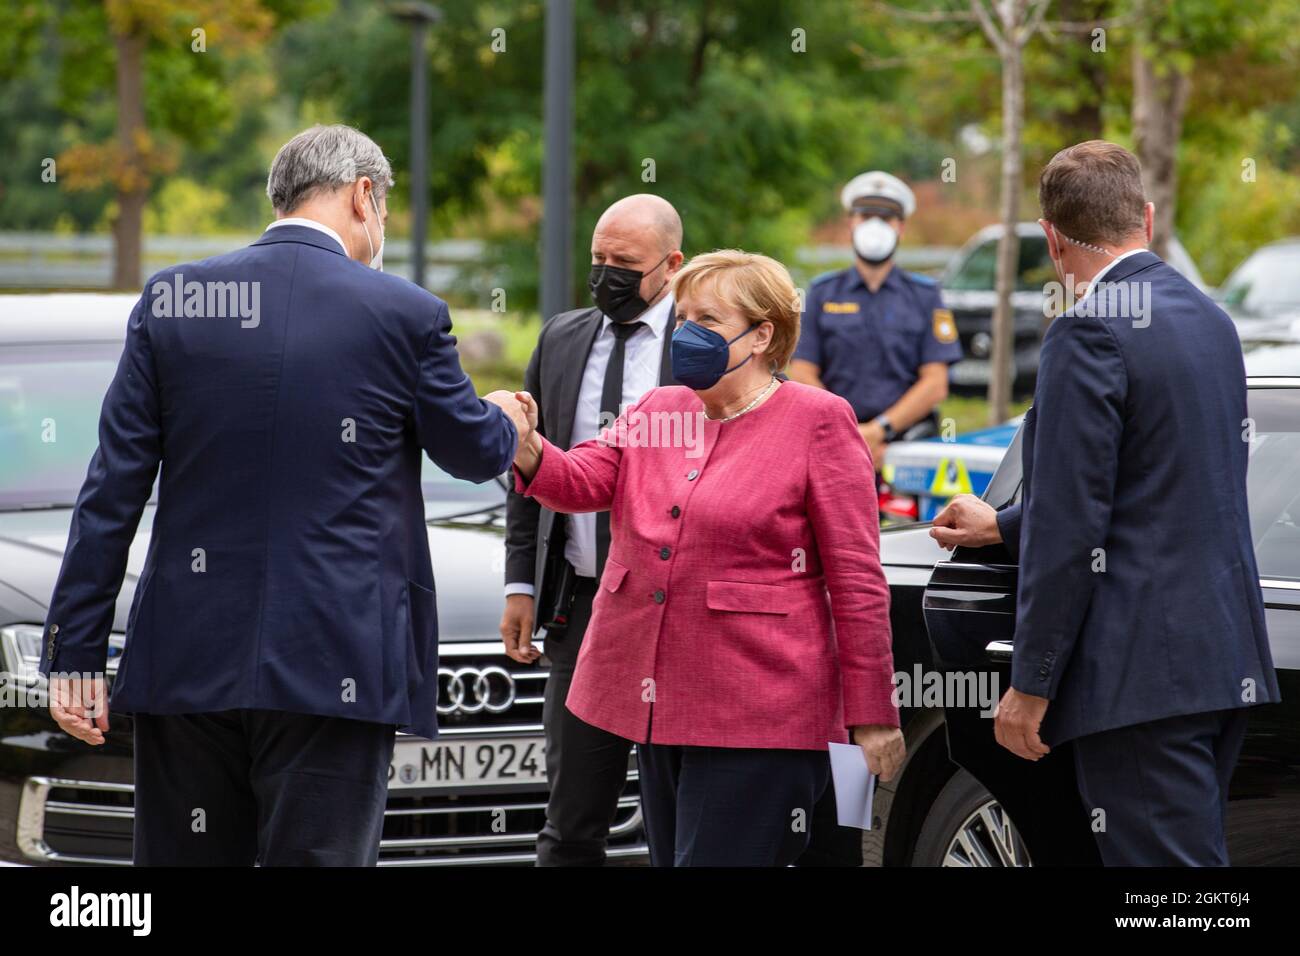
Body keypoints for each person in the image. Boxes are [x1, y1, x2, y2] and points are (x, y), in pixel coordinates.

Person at [39, 124, 526, 866]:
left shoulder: (175, 300)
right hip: (336, 664)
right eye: (386, 209)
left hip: (188, 664)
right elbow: (472, 451)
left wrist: (74, 653)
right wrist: (506, 414)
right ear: (364, 195)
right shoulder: (406, 314)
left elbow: (111, 491)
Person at [929, 140, 1279, 866]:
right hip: (1223, 657)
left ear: (1053, 239)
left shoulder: (1087, 329)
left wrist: (1031, 683)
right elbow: (1167, 490)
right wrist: (1003, 525)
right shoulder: (1211, 319)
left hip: (1139, 680)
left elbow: (1071, 524)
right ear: (1145, 219)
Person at [510, 249, 904, 867]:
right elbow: (581, 479)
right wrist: (529, 445)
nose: (688, 333)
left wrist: (872, 713)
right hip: (653, 696)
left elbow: (856, 578)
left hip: (762, 708)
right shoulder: (662, 407)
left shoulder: (819, 420)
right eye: (684, 316)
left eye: (709, 320)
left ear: (763, 334)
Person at [501, 194, 685, 866]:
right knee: (572, 817)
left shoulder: (703, 344)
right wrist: (520, 582)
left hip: (678, 612)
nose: (606, 273)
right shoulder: (561, 337)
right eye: (597, 260)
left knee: (679, 815)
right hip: (581, 606)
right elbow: (527, 467)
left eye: (624, 263)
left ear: (671, 265)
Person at [789, 171, 962, 466]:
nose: (875, 225)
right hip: (832, 439)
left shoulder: (926, 295)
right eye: (866, 215)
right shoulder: (821, 293)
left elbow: (935, 383)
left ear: (901, 228)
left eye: (886, 218)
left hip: (905, 445)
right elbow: (802, 372)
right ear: (850, 224)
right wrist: (846, 432)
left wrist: (878, 430)